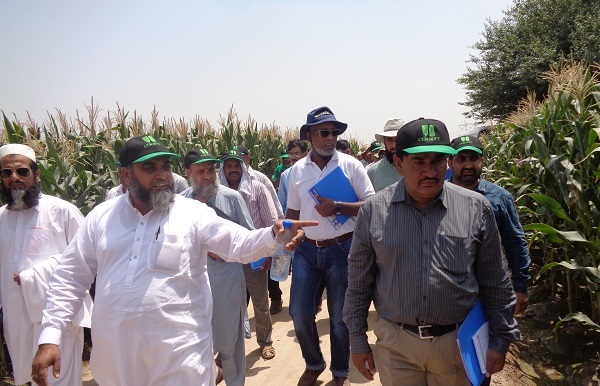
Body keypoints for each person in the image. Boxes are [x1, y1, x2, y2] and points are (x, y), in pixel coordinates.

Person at [31, 135, 317, 386]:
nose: (162, 176)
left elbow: (238, 243)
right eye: (149, 168)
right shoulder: (100, 218)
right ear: (126, 176)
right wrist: (50, 335)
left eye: (166, 167)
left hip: (181, 361)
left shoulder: (192, 212)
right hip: (116, 364)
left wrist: (273, 235)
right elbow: (70, 277)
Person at [343, 118, 520, 386]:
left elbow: (496, 280)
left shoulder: (476, 208)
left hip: (458, 345)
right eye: (419, 162)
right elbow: (358, 283)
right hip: (397, 345)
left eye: (437, 161)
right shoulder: (373, 211)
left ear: (447, 162)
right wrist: (357, 340)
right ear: (399, 164)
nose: (430, 171)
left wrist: (501, 338)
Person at [286, 106, 375, 386]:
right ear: (309, 135)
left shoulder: (351, 166)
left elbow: (372, 206)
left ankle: (340, 373)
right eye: (323, 132)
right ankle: (314, 363)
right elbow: (292, 216)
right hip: (307, 252)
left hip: (342, 250)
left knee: (339, 317)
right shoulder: (296, 172)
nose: (330, 138)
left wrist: (338, 206)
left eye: (334, 132)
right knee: (299, 313)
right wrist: (288, 239)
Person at [0, 143, 91, 386]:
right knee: (28, 377)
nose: (14, 178)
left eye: (22, 171)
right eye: (6, 173)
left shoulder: (62, 211)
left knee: (57, 380)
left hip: (57, 316)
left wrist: (34, 276)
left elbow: (88, 258)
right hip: (16, 315)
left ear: (37, 174)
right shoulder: (0, 218)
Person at [181, 148, 253, 385]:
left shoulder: (232, 198)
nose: (207, 175)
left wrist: (226, 248)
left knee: (230, 345)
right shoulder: (179, 204)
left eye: (211, 169)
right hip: (193, 287)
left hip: (227, 283)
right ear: (188, 173)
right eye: (200, 171)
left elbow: (250, 238)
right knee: (195, 345)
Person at [448, 135, 531, 314]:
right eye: (461, 159)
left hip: (491, 288)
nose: (468, 165)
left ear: (482, 160)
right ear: (450, 163)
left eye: (474, 158)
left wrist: (520, 287)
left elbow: (516, 243)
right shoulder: (438, 197)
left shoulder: (499, 198)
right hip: (449, 290)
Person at [219, 149, 277, 361]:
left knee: (260, 302)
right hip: (227, 258)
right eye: (228, 166)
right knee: (231, 304)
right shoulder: (216, 192)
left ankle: (266, 342)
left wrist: (270, 252)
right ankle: (229, 348)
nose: (233, 169)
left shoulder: (257, 188)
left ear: (243, 166)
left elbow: (271, 222)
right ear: (222, 169)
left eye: (236, 165)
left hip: (254, 255)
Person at [232, 144, 284, 219]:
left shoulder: (261, 178)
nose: (237, 159)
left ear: (248, 158)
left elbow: (275, 203)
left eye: (240, 156)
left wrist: (280, 222)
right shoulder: (226, 179)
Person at [367, 118, 404, 192]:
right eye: (389, 140)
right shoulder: (373, 171)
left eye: (397, 140)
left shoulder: (415, 168)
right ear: (384, 141)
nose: (394, 145)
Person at [277, 139, 309, 215]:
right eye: (291, 154)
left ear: (305, 154)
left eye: (297, 153)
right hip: (292, 219)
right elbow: (282, 202)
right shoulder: (285, 175)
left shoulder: (312, 172)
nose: (293, 157)